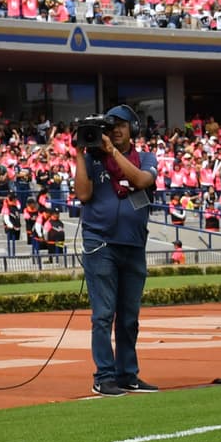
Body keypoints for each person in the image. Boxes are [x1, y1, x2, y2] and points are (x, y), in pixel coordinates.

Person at [72, 105, 159, 397]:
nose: (115, 131)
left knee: (129, 316)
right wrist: (79, 154)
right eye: (110, 127)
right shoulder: (92, 159)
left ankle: (127, 374)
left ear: (133, 128)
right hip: (101, 244)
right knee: (103, 314)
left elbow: (141, 181)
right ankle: (104, 376)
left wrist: (113, 153)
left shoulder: (146, 158)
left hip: (134, 244)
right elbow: (83, 194)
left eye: (121, 125)